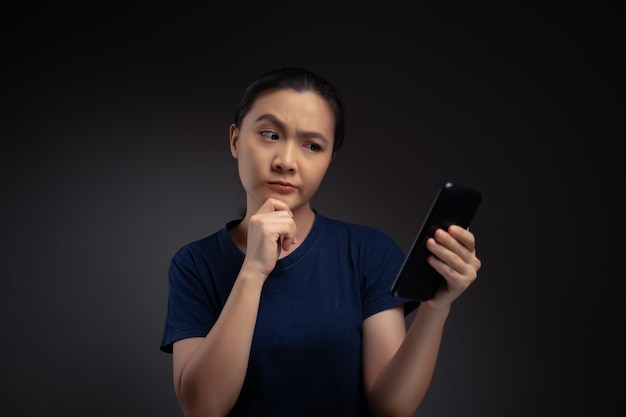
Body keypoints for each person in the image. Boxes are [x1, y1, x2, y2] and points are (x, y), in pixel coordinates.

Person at [159, 66, 481, 417]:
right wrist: (252, 271)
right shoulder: (194, 264)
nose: (286, 162)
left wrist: (436, 306)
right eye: (269, 134)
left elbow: (392, 406)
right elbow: (202, 409)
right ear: (236, 140)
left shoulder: (367, 252)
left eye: (312, 145)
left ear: (329, 159)